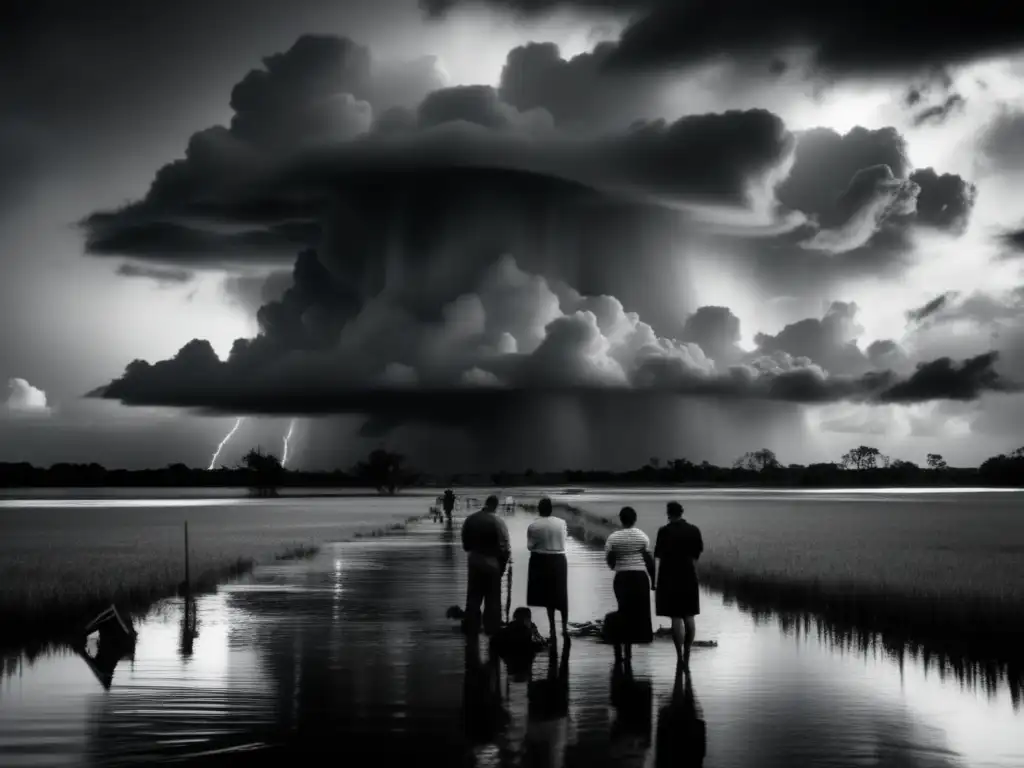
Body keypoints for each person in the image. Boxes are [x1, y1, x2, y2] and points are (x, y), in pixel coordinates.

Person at [654, 501, 704, 668]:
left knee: (676, 617)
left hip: (669, 576)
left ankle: (679, 656)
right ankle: (688, 651)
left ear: (668, 514)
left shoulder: (663, 531)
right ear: (682, 513)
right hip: (689, 575)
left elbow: (658, 555)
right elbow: (697, 554)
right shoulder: (694, 530)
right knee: (689, 616)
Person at [604, 506, 655, 663]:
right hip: (640, 578)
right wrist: (653, 581)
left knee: (623, 610)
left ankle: (621, 648)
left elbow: (609, 558)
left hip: (622, 578)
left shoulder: (613, 537)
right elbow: (649, 561)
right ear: (635, 519)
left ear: (621, 519)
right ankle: (630, 648)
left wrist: (615, 567)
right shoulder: (642, 536)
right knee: (638, 613)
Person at [461, 495, 511, 636]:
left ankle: (471, 631)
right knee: (493, 599)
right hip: (492, 564)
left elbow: (465, 544)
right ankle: (492, 632)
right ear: (495, 506)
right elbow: (505, 547)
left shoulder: (470, 520)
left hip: (475, 561)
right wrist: (503, 566)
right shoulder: (498, 522)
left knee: (473, 597)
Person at [526, 497, 570, 642]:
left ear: (539, 509)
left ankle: (552, 627)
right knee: (561, 594)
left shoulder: (534, 525)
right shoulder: (561, 523)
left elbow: (530, 546)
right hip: (559, 559)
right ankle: (564, 627)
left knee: (547, 596)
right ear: (551, 509)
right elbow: (564, 539)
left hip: (542, 560)